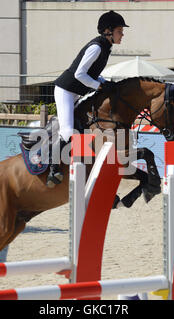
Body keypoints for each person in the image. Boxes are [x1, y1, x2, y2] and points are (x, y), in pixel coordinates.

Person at [47, 10, 129, 188]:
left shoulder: (106, 48)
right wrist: (99, 86)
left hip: (77, 92)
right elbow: (79, 74)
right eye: (119, 30)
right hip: (66, 91)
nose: (122, 34)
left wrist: (104, 82)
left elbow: (92, 74)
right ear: (108, 31)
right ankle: (54, 169)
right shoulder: (97, 47)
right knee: (68, 131)